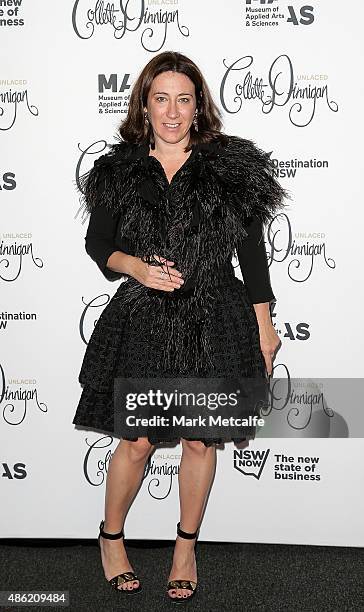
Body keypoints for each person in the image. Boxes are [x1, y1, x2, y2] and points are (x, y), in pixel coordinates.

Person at [72, 50, 289, 603]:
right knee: (138, 441)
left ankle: (185, 548)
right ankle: (111, 538)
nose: (172, 111)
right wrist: (137, 267)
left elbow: (252, 253)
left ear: (199, 106)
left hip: (214, 316)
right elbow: (100, 244)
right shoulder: (118, 169)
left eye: (184, 99)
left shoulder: (228, 169)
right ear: (144, 104)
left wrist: (264, 327)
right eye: (161, 98)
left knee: (199, 439)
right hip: (144, 319)